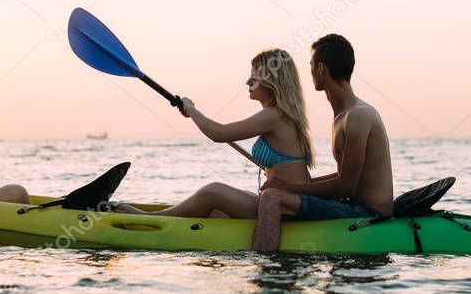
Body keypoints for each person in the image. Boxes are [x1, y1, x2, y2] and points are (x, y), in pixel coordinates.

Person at [113, 49, 314, 218]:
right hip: (285, 204)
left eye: (255, 75)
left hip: (284, 209)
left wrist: (191, 110)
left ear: (272, 80)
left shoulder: (274, 116)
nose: (248, 81)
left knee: (213, 191)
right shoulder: (282, 116)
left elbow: (218, 133)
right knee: (215, 209)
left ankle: (148, 220)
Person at [255, 34, 393, 251]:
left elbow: (347, 185)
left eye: (310, 66)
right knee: (275, 194)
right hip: (352, 205)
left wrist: (288, 188)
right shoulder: (343, 116)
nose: (309, 73)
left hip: (368, 212)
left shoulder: (358, 117)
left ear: (321, 68)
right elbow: (345, 176)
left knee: (272, 198)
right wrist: (301, 187)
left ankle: (269, 274)